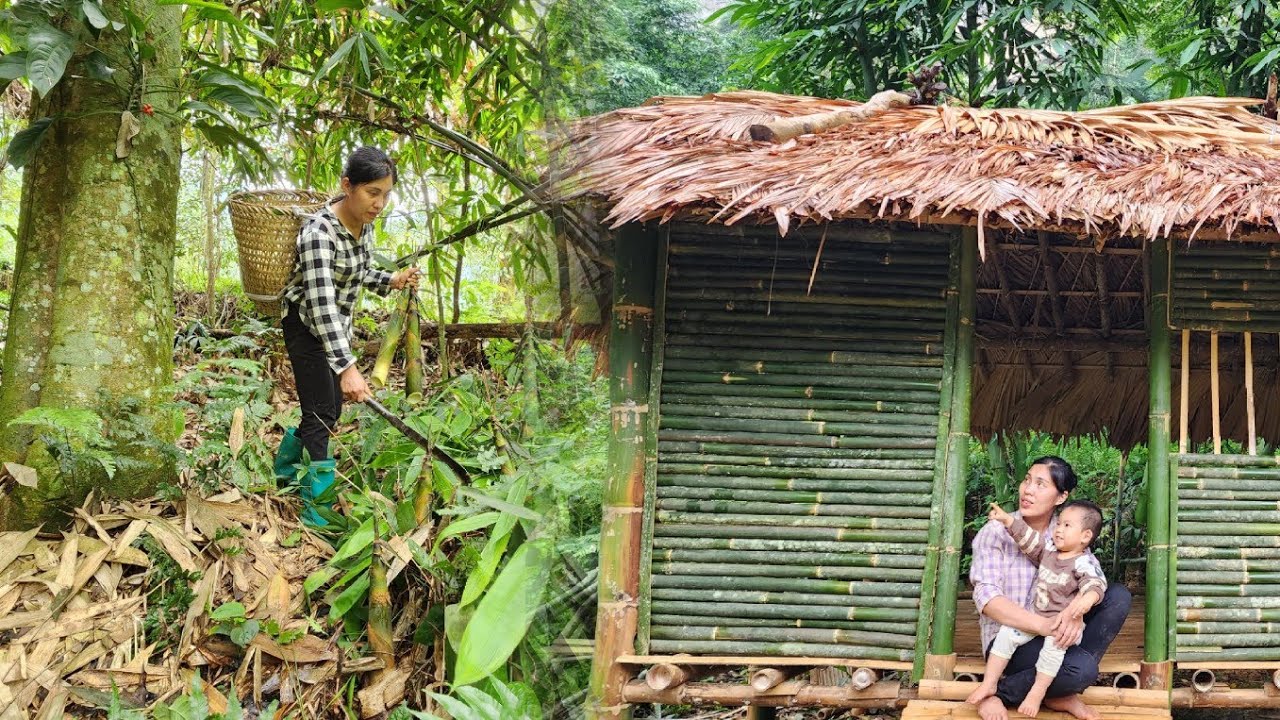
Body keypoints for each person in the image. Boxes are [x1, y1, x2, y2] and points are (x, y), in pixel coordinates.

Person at [271, 146, 420, 526]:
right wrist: (347, 367)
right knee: (321, 413)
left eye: (386, 194)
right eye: (373, 192)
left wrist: (392, 280)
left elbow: (361, 272)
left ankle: (285, 471)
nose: (380, 203)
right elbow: (320, 305)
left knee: (329, 410)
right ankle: (317, 514)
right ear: (347, 186)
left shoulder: (363, 227)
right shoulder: (318, 233)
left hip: (334, 325)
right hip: (305, 325)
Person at [969, 456, 1132, 720]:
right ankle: (1006, 692)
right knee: (1081, 671)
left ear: (1060, 496)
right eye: (1027, 480)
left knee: (1117, 596)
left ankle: (1051, 688)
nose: (1028, 490)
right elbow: (987, 599)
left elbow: (1090, 573)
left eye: (1041, 484)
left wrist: (1077, 611)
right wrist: (1044, 626)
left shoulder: (1066, 529)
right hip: (1010, 638)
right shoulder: (996, 531)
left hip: (1055, 630)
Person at [967, 499, 1107, 718]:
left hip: (1059, 628)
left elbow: (1095, 583)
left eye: (1066, 526)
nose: (1058, 529)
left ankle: (1038, 692)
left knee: (1052, 655)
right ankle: (990, 684)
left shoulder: (1083, 563)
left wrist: (1085, 601)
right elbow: (1029, 539)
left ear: (1085, 536)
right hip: (1035, 620)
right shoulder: (1050, 550)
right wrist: (1008, 521)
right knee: (1005, 634)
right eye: (1059, 523)